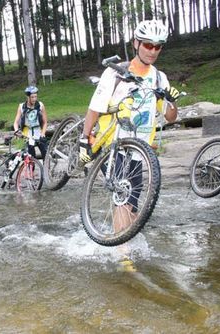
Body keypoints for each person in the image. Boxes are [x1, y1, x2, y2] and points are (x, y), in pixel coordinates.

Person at [78, 20, 181, 232]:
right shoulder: (116, 72)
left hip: (138, 149)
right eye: (147, 45)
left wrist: (171, 100)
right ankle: (123, 258)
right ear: (136, 43)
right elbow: (95, 107)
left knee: (133, 203)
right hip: (112, 144)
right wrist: (84, 138)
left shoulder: (159, 78)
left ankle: (123, 240)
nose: (152, 51)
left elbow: (170, 117)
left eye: (158, 46)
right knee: (123, 197)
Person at [13, 85, 48, 159]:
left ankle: (46, 169)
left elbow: (45, 122)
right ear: (28, 97)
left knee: (46, 154)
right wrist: (16, 131)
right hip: (27, 135)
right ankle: (31, 170)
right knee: (31, 158)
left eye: (35, 97)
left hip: (39, 133)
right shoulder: (21, 106)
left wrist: (43, 133)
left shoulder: (40, 105)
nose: (34, 99)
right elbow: (16, 122)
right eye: (32, 97)